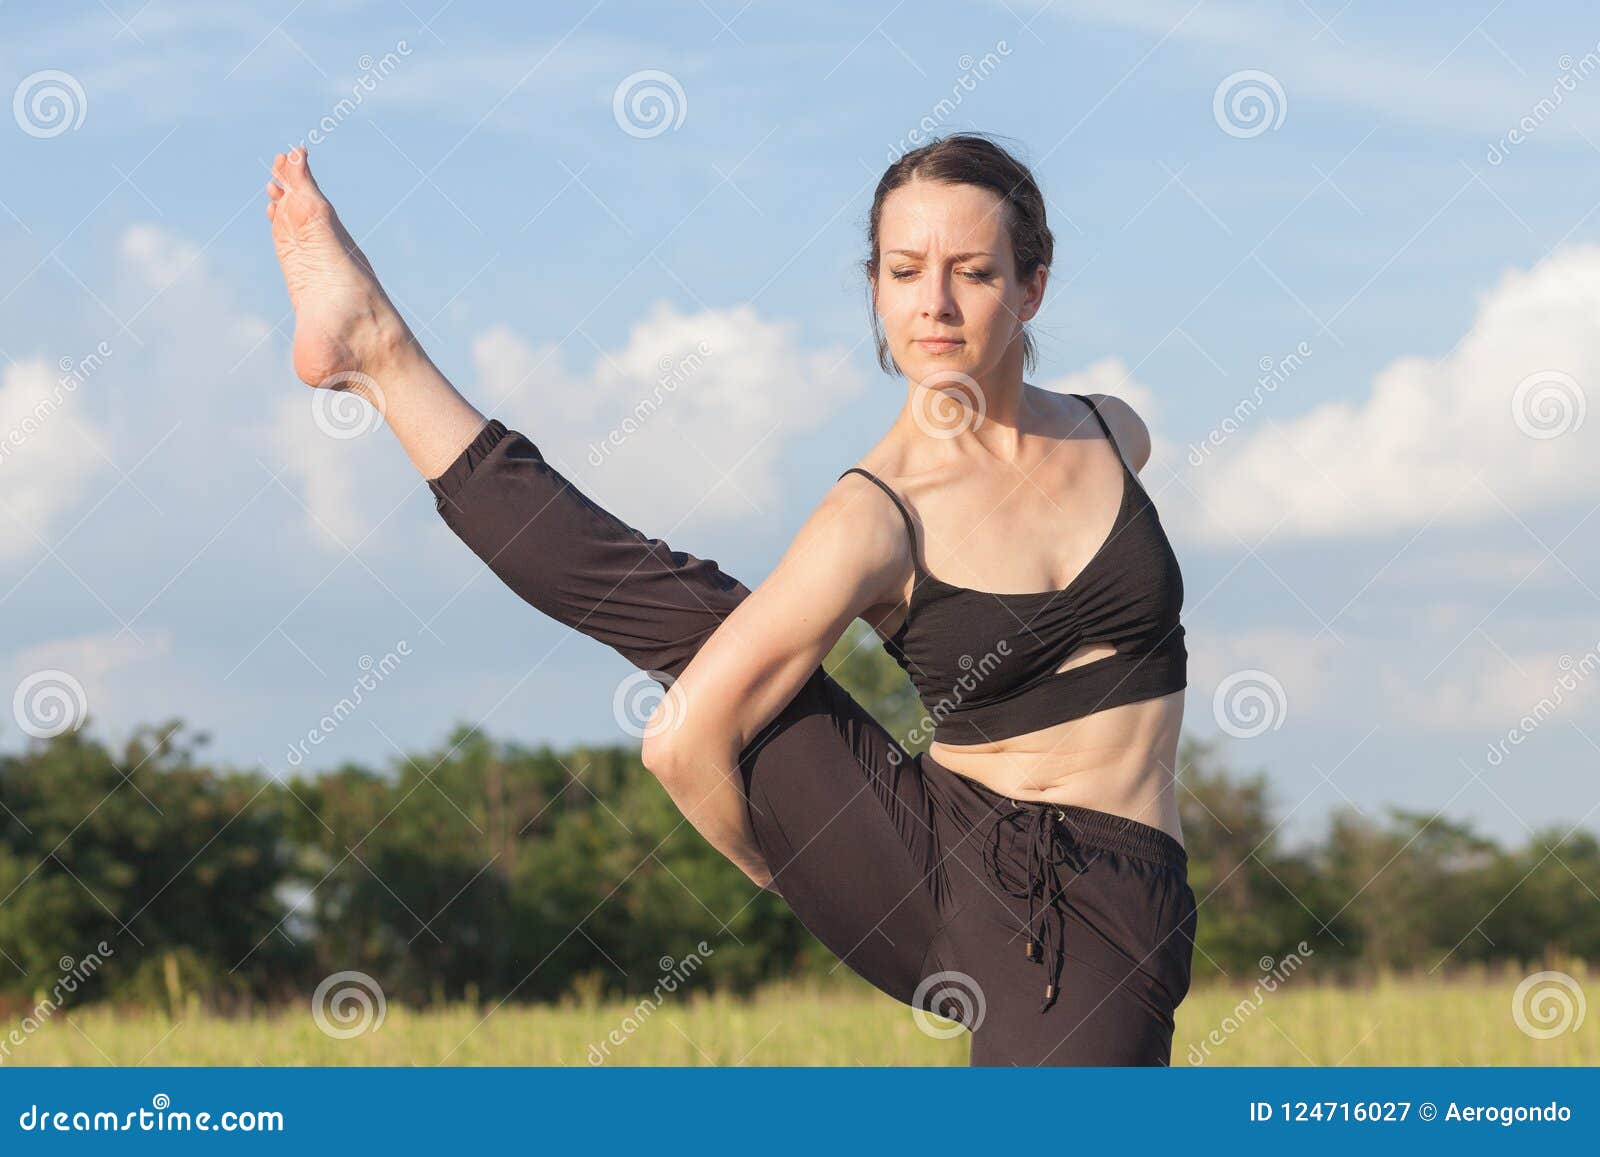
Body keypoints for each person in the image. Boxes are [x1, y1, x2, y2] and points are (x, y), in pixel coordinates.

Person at [263, 131, 1197, 1066]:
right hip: (1015, 911)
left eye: (973, 272)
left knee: (700, 608)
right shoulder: (879, 515)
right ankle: (378, 352)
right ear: (874, 285)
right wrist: (791, 865)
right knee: (690, 617)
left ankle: (373, 349)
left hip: (1138, 888)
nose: (935, 305)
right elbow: (678, 741)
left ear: (1032, 285)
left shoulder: (1110, 432)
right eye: (906, 272)